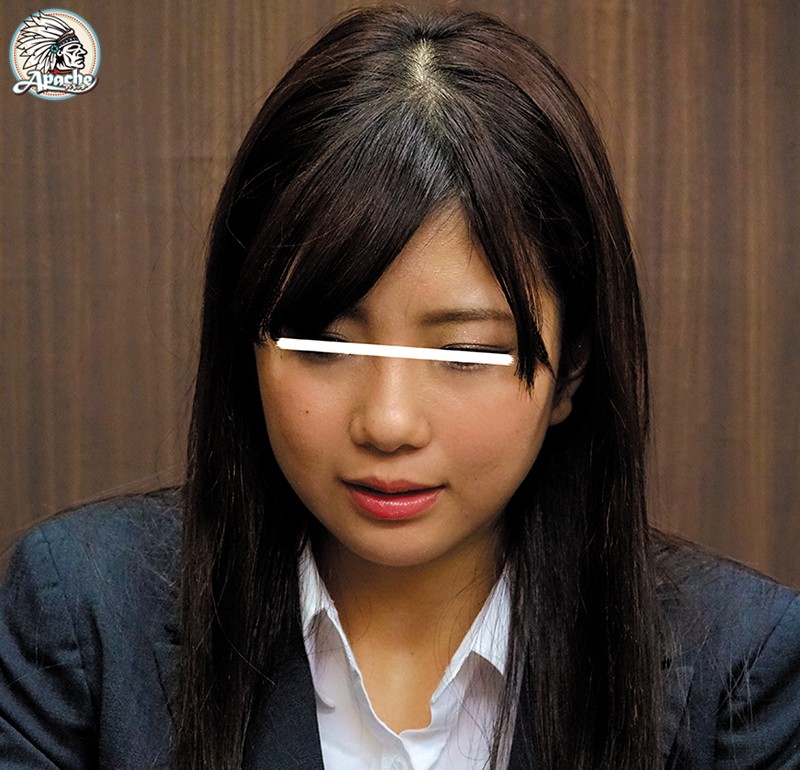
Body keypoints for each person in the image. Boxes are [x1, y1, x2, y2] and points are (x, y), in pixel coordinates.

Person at [1, 7, 799, 769]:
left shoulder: (737, 670)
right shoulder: (84, 616)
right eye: (324, 344)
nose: (388, 423)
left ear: (573, 368)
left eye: (464, 353)